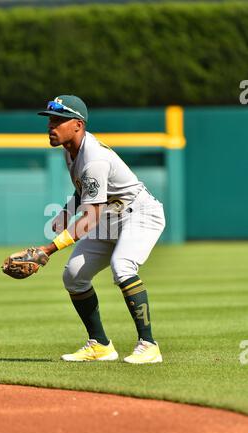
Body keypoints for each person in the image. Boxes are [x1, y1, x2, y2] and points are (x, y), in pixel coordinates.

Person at [37, 95, 165, 364]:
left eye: (59, 120)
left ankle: (149, 345)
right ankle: (100, 345)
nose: (51, 125)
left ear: (78, 125)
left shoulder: (94, 158)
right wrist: (65, 214)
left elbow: (91, 217)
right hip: (111, 217)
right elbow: (82, 191)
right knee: (73, 276)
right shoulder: (70, 150)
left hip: (140, 214)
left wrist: (49, 249)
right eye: (50, 119)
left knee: (123, 266)